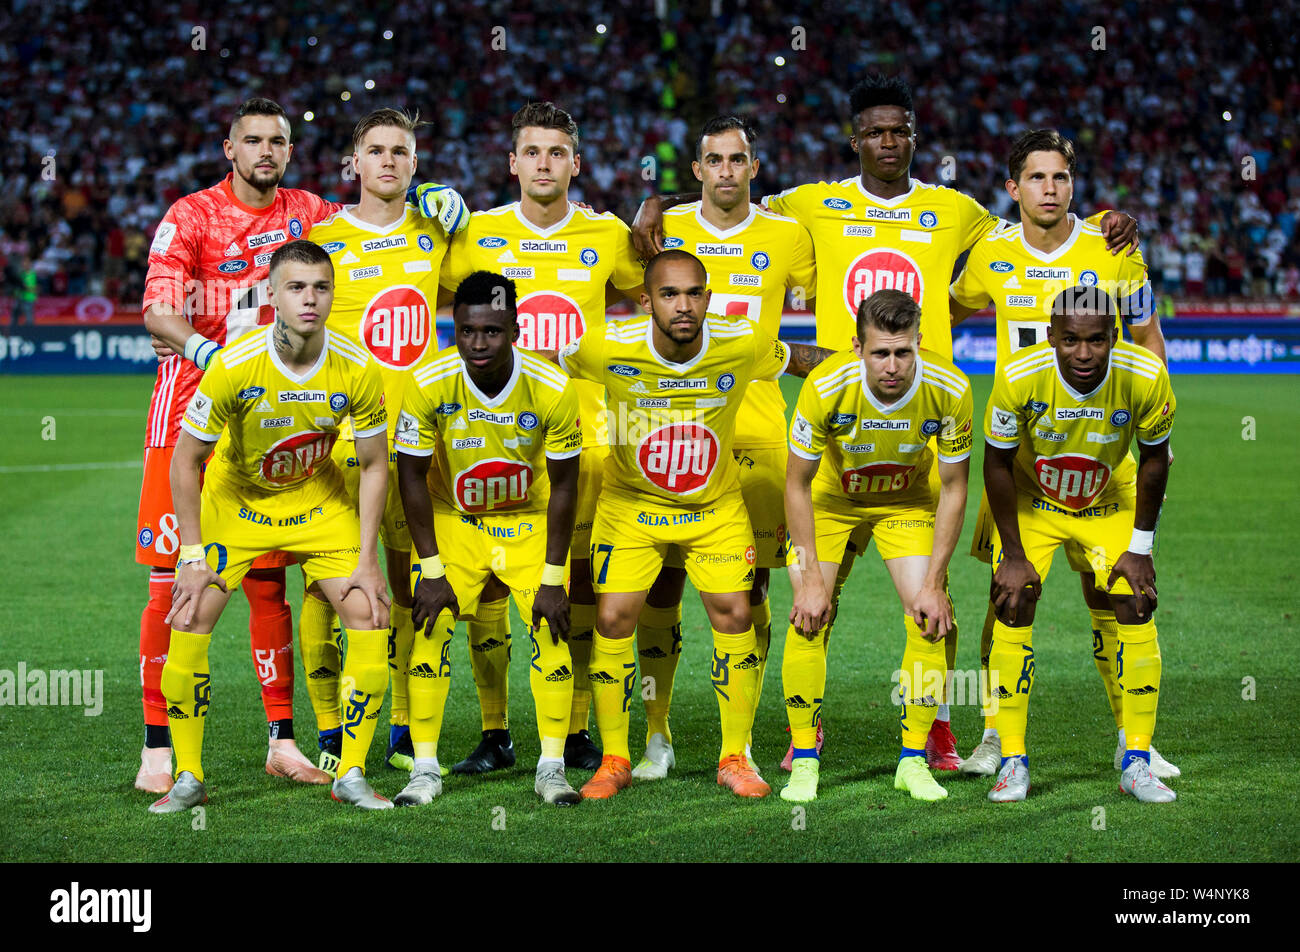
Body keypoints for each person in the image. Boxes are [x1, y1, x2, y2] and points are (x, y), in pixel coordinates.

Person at [632, 74, 1139, 772]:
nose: (888, 141)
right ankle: (799, 734)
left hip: (922, 434)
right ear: (856, 139)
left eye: (900, 130)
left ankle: (933, 727)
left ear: (913, 138)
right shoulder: (812, 205)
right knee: (813, 591)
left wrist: (1104, 221)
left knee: (934, 600)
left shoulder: (955, 210)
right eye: (875, 131)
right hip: (834, 433)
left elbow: (1032, 232)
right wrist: (657, 201)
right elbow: (735, 202)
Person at [140, 98, 467, 793]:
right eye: (252, 140)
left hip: (311, 422)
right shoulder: (191, 215)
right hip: (200, 404)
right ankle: (159, 746)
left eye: (278, 141)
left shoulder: (310, 213)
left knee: (277, 585)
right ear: (230, 149)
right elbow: (156, 309)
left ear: (291, 151)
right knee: (174, 579)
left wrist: (438, 192)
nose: (265, 151)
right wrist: (214, 350)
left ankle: (287, 737)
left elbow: (378, 206)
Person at [553, 249, 832, 800]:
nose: (684, 306)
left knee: (735, 613)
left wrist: (864, 360)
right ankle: (614, 758)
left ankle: (735, 755)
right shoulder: (605, 346)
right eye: (669, 294)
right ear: (645, 301)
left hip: (714, 508)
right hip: (631, 506)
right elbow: (540, 361)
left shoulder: (741, 342)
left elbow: (795, 356)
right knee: (612, 618)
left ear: (709, 296)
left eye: (694, 293)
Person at [950, 128, 1178, 778]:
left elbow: (1147, 336)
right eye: (1037, 177)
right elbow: (950, 308)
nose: (1049, 189)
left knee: (1110, 595)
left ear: (1072, 183)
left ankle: (1132, 738)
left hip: (1100, 459)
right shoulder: (991, 252)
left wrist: (1146, 409)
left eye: (1060, 177)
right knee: (1009, 595)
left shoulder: (1112, 248)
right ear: (1012, 186)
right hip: (1019, 466)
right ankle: (996, 735)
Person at [148, 239, 394, 814]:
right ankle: (187, 776)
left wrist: (366, 557)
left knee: (369, 613)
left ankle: (352, 774)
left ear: (334, 293)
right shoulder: (236, 364)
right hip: (236, 507)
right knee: (186, 614)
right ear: (273, 296)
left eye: (321, 287)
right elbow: (185, 461)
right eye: (296, 287)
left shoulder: (357, 365)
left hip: (318, 504)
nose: (310, 299)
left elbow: (377, 462)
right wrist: (190, 554)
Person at [438, 101, 644, 774]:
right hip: (490, 438)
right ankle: (496, 733)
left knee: (577, 581)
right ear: (513, 163)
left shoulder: (606, 234)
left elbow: (655, 298)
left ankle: (578, 728)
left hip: (587, 437)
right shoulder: (477, 233)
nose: (545, 164)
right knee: (492, 589)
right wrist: (420, 193)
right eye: (533, 152)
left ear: (575, 164)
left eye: (558, 153)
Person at [630, 115, 817, 780]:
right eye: (716, 160)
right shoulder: (665, 228)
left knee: (752, 582)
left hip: (759, 428)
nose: (728, 171)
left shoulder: (789, 236)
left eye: (739, 159)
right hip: (672, 426)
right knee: (662, 577)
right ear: (700, 169)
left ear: (754, 167)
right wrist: (646, 208)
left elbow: (843, 279)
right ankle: (657, 732)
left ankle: (739, 741)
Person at [298, 107, 455, 775]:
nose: (388, 160)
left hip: (416, 441)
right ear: (354, 162)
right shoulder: (323, 239)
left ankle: (395, 729)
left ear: (416, 165)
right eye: (376, 150)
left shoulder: (438, 233)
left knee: (405, 581)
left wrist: (465, 213)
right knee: (324, 587)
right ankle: (331, 730)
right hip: (338, 442)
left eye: (401, 151)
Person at [394, 271, 584, 806]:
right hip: (455, 519)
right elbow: (410, 476)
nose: (478, 343)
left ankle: (551, 768)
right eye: (467, 331)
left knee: (551, 629)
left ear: (516, 328)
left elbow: (566, 483)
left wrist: (552, 577)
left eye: (492, 332)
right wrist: (431, 571)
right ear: (453, 327)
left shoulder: (551, 387)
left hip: (528, 520)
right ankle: (424, 770)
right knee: (429, 627)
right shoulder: (428, 381)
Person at [982, 285, 1176, 803]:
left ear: (1114, 337)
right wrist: (1015, 555)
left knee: (1135, 602)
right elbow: (995, 463)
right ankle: (1013, 760)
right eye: (1070, 340)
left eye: (1095, 340)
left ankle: (1136, 758)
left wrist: (1139, 547)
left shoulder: (1145, 375)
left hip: (1108, 499)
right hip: (1033, 501)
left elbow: (1155, 459)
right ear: (1051, 337)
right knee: (1013, 599)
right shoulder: (1019, 376)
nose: (1083, 353)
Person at [784, 289, 971, 802]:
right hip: (829, 501)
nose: (892, 366)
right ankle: (804, 756)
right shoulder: (825, 386)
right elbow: (796, 484)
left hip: (905, 501)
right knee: (809, 614)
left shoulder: (950, 388)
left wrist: (933, 584)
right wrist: (812, 581)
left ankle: (913, 759)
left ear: (919, 345)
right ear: (856, 348)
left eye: (903, 352)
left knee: (930, 617)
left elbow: (955, 487)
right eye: (880, 353)